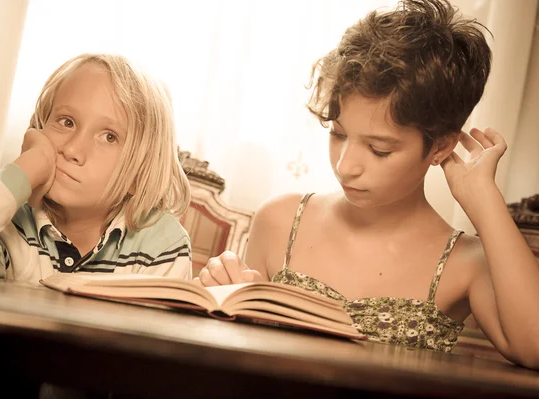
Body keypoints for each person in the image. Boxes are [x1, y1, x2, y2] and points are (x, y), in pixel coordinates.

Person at [194, 0, 539, 369]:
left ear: (441, 146)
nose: (346, 166)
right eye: (338, 133)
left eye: (379, 149)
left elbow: (534, 349)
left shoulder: (466, 263)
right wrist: (221, 302)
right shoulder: (279, 220)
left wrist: (484, 199)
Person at [0, 53, 192, 282]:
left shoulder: (162, 245)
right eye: (67, 122)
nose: (72, 150)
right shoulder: (10, 222)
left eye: (109, 136)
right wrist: (27, 166)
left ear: (139, 174)